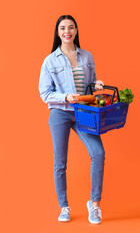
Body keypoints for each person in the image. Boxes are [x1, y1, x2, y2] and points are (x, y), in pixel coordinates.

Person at [38, 15, 105, 224]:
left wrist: (98, 85)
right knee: (61, 162)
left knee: (99, 153)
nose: (67, 31)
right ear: (58, 33)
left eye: (71, 27)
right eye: (63, 28)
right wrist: (65, 97)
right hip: (60, 112)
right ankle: (64, 206)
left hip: (84, 112)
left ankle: (94, 205)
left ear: (76, 31)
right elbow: (44, 93)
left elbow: (90, 85)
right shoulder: (50, 61)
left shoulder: (86, 56)